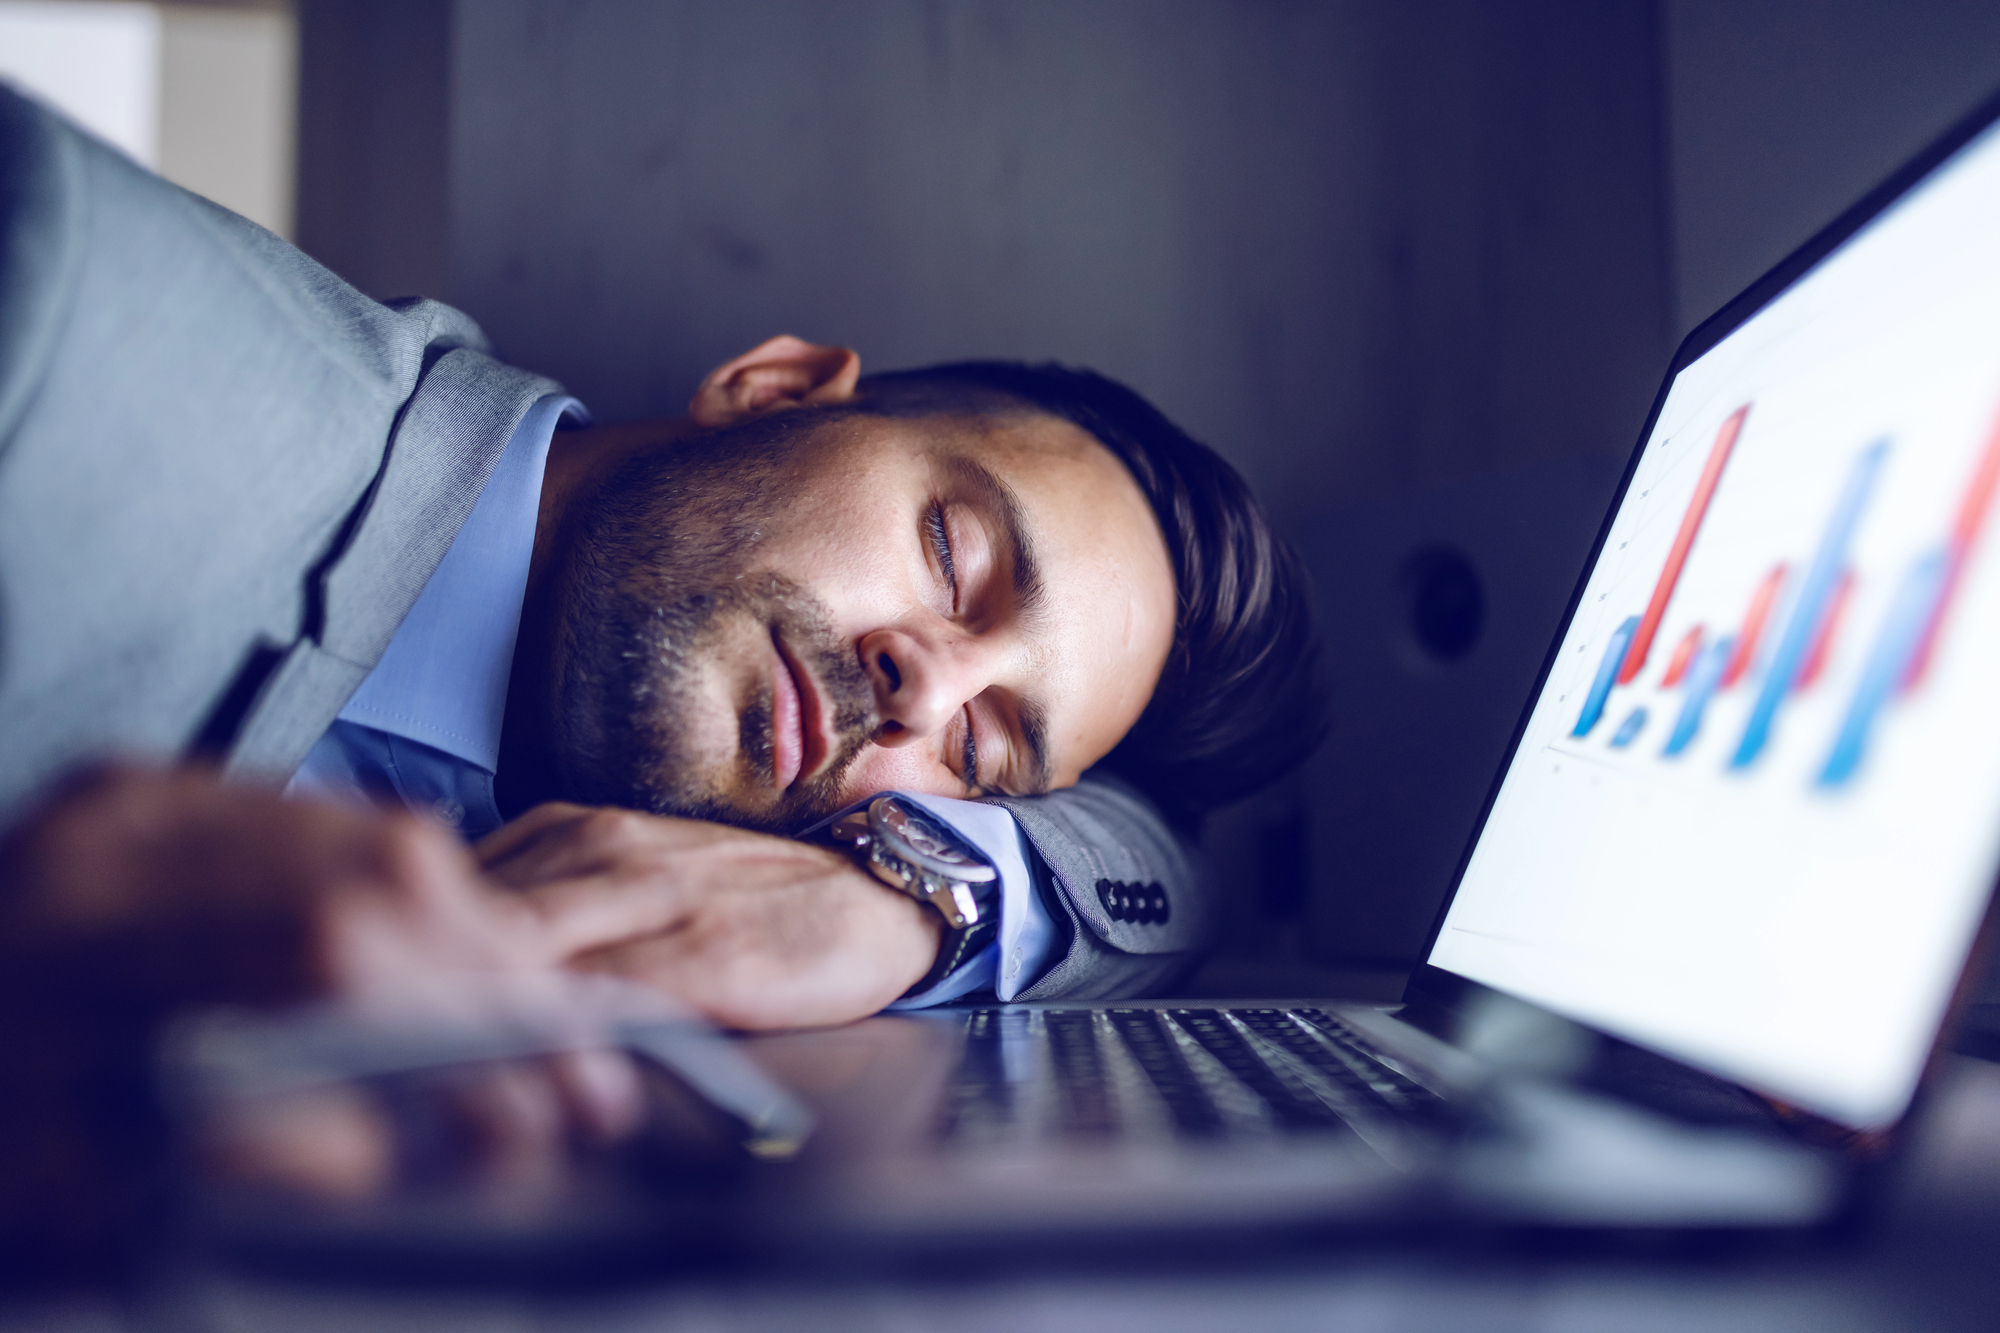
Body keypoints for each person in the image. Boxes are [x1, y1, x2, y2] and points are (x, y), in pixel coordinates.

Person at [0, 83, 1323, 1270]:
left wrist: (913, 893)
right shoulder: (64, 299)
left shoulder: (812, 829)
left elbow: (1166, 860)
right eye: (948, 548)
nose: (925, 691)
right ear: (774, 390)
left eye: (982, 750)